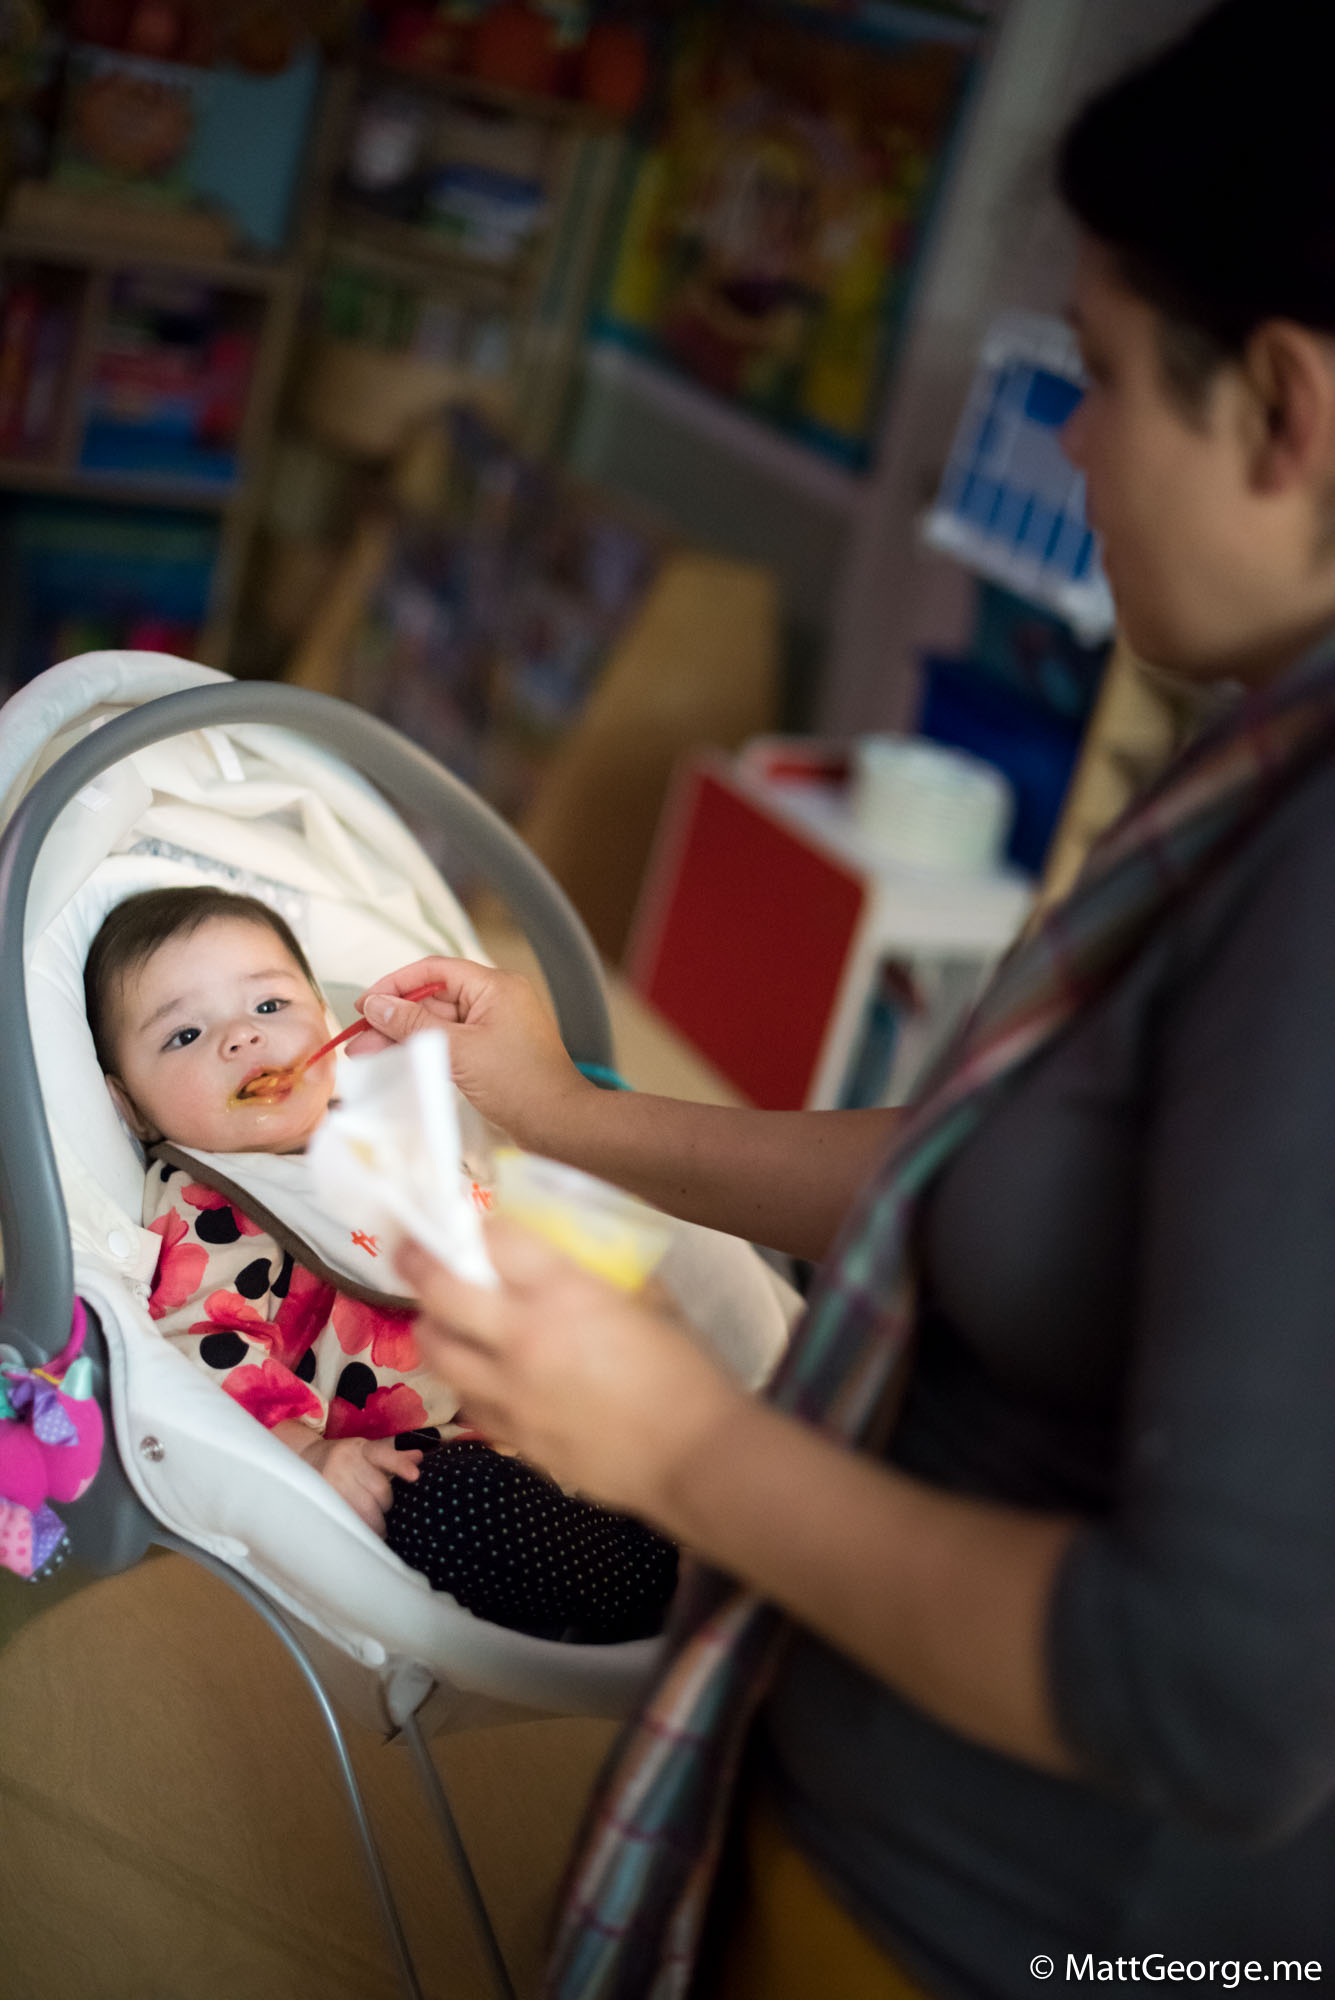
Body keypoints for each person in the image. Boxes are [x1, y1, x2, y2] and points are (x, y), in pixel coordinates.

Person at [346, 2, 1335, 1992]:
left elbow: (1218, 1692)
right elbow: (1009, 1178)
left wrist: (680, 1447)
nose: (1072, 441)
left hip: (1012, 1924)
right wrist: (565, 1107)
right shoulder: (1266, 785)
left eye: (1103, 378)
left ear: (1287, 412)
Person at [84, 885, 678, 1642]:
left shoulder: (379, 1132)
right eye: (185, 1034)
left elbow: (486, 1207)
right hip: (413, 1471)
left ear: (327, 1027)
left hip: (533, 1411)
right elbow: (205, 1345)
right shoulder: (209, 1199)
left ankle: (660, 1518)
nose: (241, 1038)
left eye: (269, 1008)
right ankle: (644, 1582)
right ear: (128, 1106)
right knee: (453, 1507)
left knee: (644, 1325)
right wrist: (309, 1455)